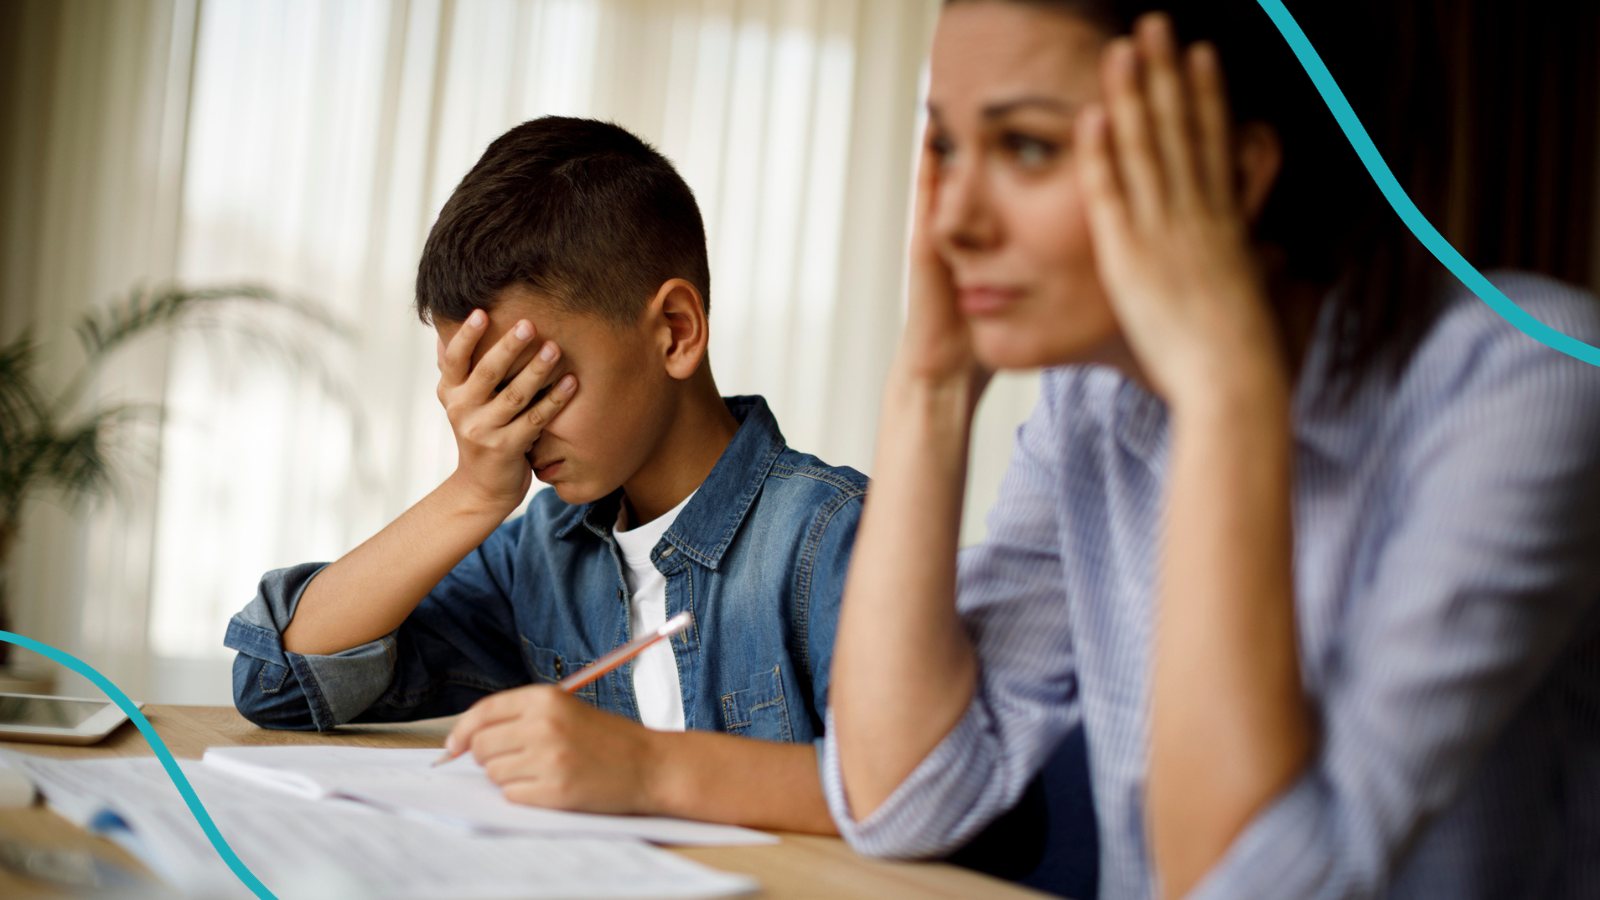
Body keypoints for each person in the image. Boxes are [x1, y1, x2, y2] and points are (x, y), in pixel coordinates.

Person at [823, 1, 1600, 898]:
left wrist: (1226, 387)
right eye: (946, 147)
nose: (953, 221)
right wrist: (931, 385)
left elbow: (1249, 886)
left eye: (1027, 146)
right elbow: (902, 796)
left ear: (1231, 174)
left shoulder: (1529, 385)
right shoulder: (1094, 397)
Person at [225, 116, 865, 834]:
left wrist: (643, 770)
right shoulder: (546, 552)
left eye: (530, 386)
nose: (509, 429)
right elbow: (277, 682)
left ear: (675, 331)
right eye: (486, 393)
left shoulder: (835, 539)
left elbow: (921, 796)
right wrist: (471, 495)